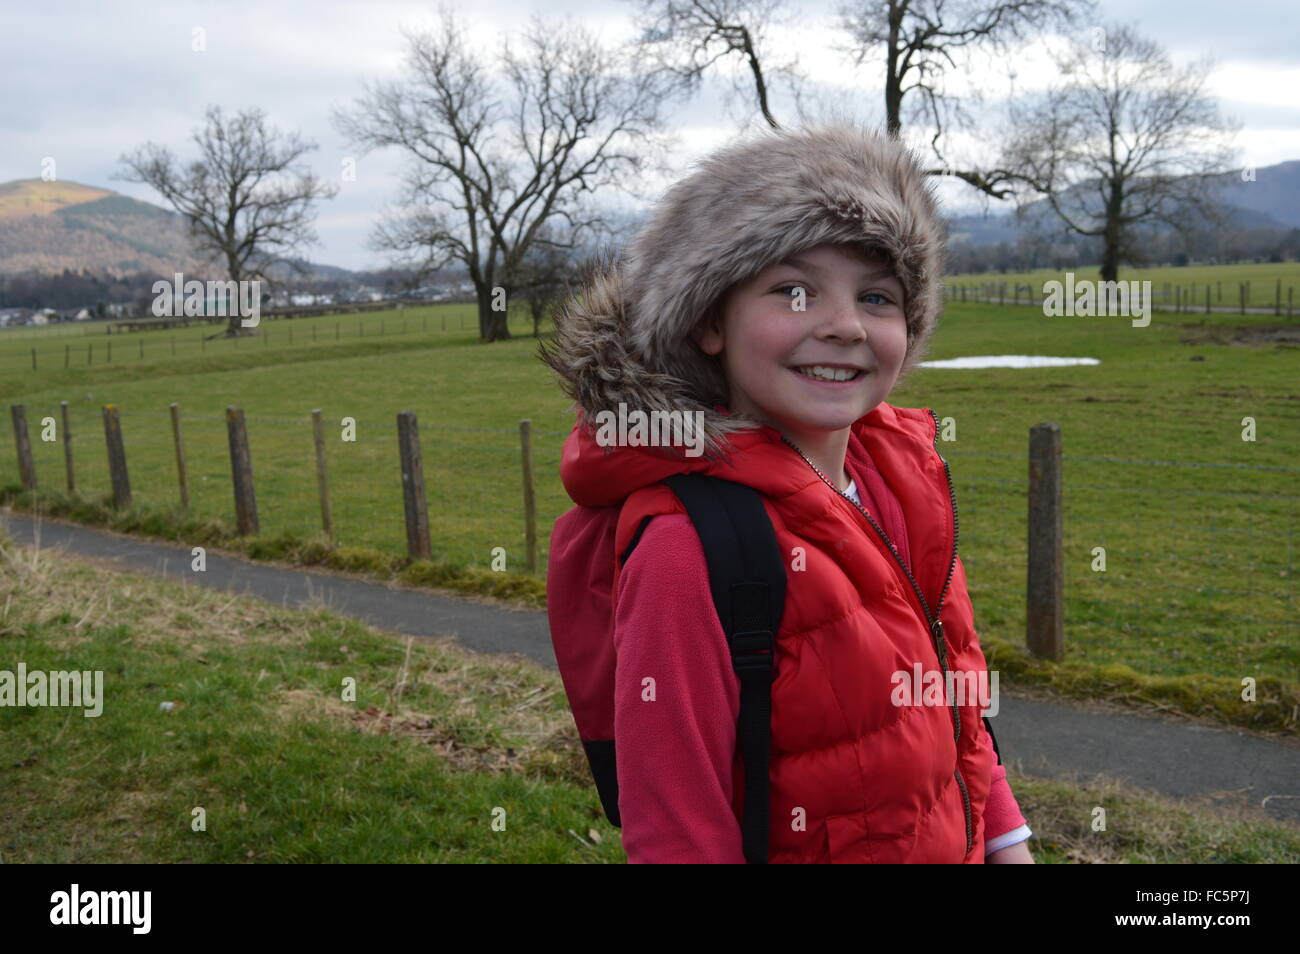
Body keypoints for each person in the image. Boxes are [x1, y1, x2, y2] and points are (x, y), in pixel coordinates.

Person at [540, 121, 1033, 863]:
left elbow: (952, 692)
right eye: (794, 291)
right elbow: (678, 832)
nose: (843, 327)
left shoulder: (906, 484)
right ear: (709, 320)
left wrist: (1004, 839)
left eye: (877, 296)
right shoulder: (688, 545)